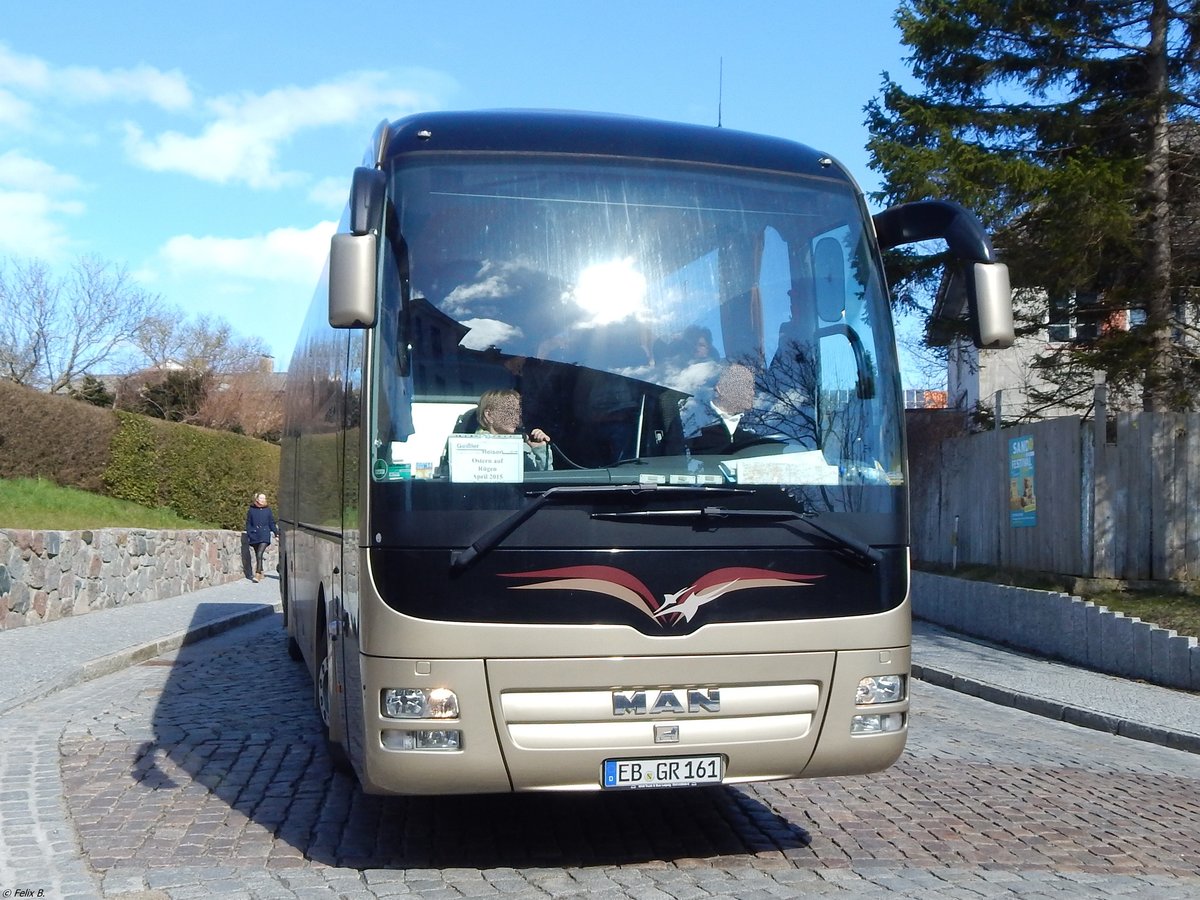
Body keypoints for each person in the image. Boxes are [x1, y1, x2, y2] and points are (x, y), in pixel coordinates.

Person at [684, 363, 767, 454]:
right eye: (744, 386)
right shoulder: (692, 421)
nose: (752, 392)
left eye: (752, 387)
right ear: (720, 389)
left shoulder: (760, 421)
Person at [475, 388, 553, 471]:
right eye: (510, 412)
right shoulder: (473, 449)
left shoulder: (525, 446)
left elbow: (546, 480)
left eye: (519, 412)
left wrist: (540, 450)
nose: (517, 418)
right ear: (489, 415)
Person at [245, 492, 278, 582]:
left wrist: (276, 533)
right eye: (261, 498)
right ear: (257, 499)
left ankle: (257, 573)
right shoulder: (251, 509)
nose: (263, 500)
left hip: (264, 534)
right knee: (257, 554)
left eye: (264, 498)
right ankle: (262, 570)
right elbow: (248, 523)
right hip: (254, 534)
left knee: (260, 553)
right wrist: (249, 532)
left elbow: (271, 522)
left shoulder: (268, 510)